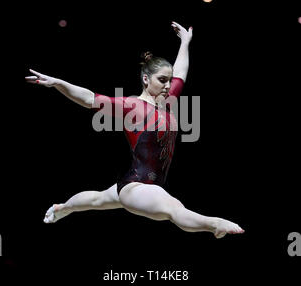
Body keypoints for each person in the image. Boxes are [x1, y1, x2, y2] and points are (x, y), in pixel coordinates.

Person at [25, 22, 244, 238]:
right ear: (146, 79)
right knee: (174, 209)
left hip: (138, 184)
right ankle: (214, 224)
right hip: (138, 187)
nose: (168, 86)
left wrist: (185, 42)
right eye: (162, 80)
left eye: (169, 81)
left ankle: (62, 208)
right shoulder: (134, 107)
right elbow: (89, 98)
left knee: (97, 200)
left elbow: (181, 72)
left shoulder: (166, 101)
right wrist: (57, 83)